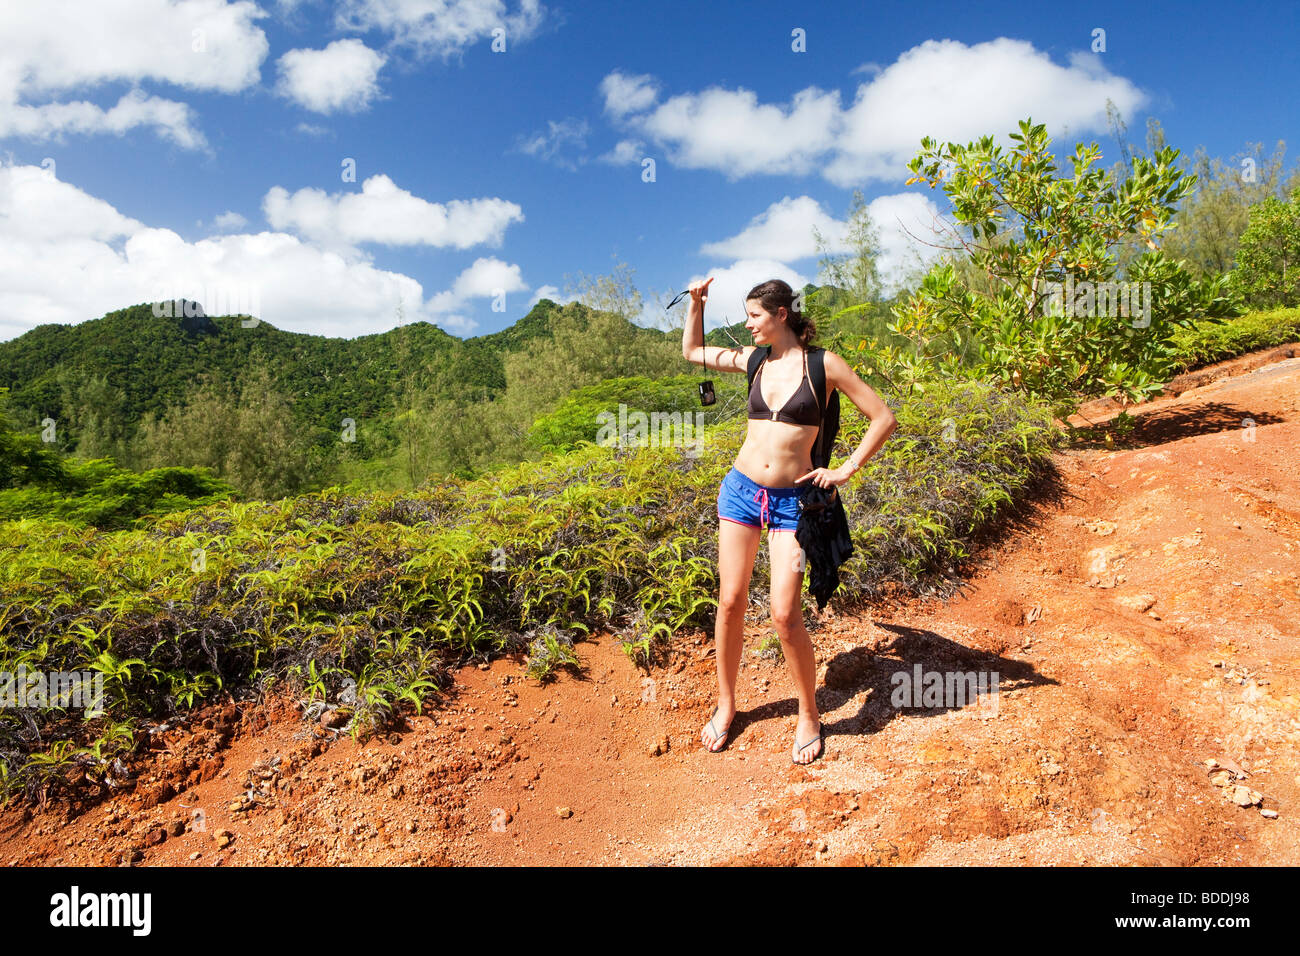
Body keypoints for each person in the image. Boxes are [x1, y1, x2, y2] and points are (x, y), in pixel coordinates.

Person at [681, 277, 897, 763]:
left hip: (792, 505)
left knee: (784, 613)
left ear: (781, 314)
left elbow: (883, 417)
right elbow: (692, 350)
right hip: (740, 493)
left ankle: (808, 714)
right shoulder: (755, 360)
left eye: (755, 315)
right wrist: (696, 304)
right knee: (731, 600)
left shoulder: (825, 365)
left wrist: (846, 469)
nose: (747, 324)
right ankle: (728, 702)